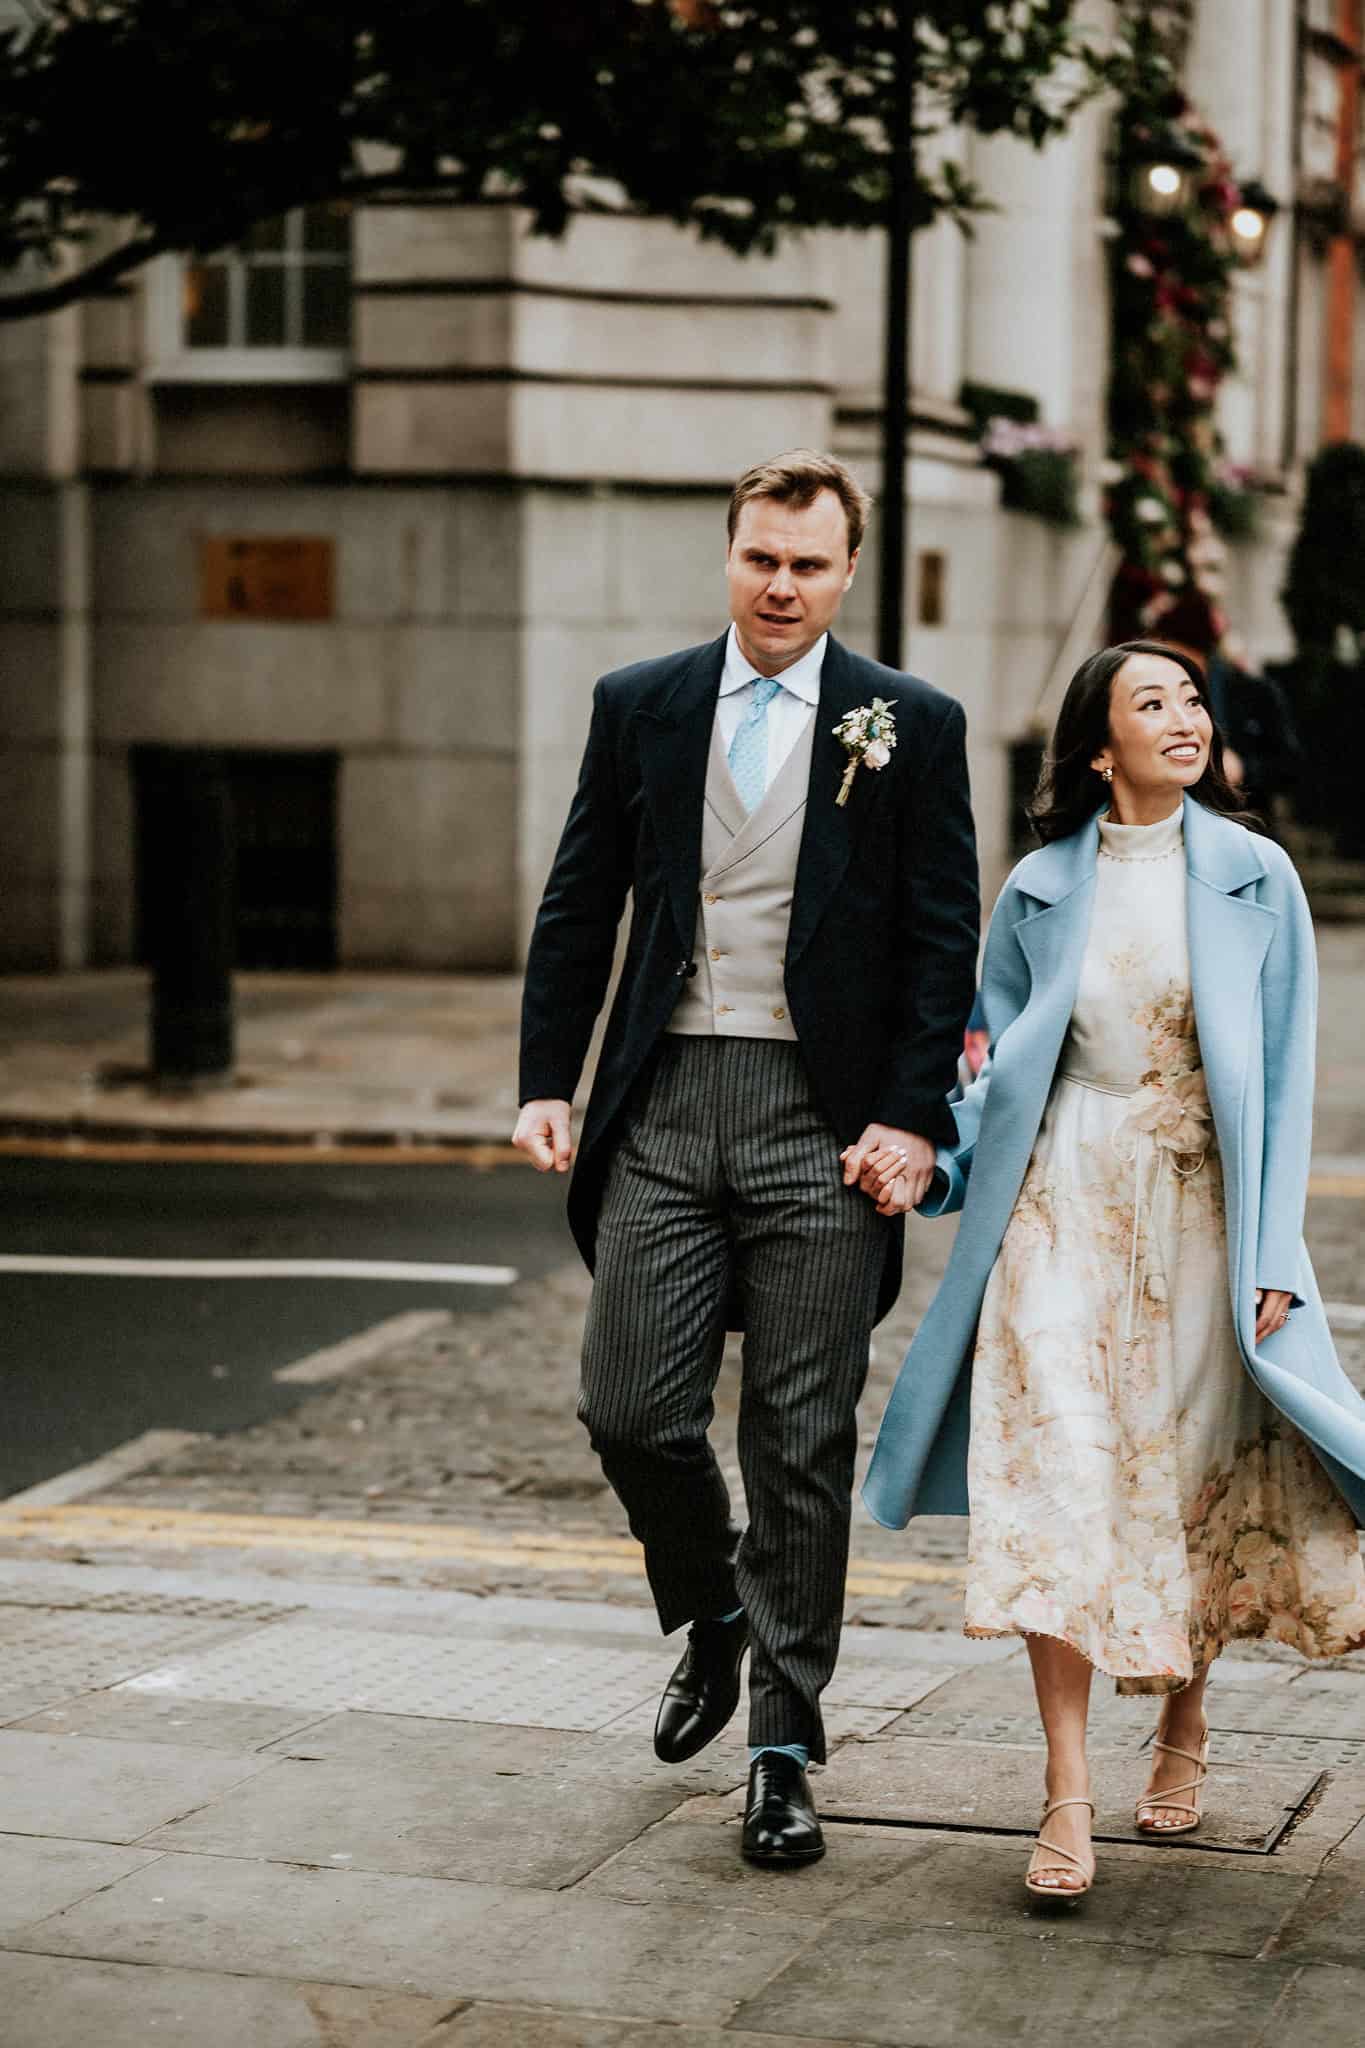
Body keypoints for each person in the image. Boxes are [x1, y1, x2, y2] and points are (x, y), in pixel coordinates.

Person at [514, 449, 979, 1866]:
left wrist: (909, 1116)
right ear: (730, 556)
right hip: (661, 1106)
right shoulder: (639, 705)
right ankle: (713, 1609)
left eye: (807, 563)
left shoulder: (910, 722)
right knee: (629, 1404)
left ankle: (782, 1744)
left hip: (823, 1126)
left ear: (847, 574)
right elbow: (581, 899)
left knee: (798, 1443)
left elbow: (939, 934)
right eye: (759, 558)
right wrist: (547, 1080)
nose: (779, 585)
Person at [861, 639, 1365, 1903]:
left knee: (1185, 1472)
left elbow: (1290, 1077)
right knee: (1063, 1475)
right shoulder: (1037, 885)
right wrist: (937, 1161)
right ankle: (1066, 1788)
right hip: (1062, 1205)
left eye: (1192, 698)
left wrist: (1273, 1253)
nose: (1186, 717)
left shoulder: (1258, 875)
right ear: (1100, 745)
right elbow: (990, 1054)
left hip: (1204, 1205)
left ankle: (1185, 1725)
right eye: (1154, 702)